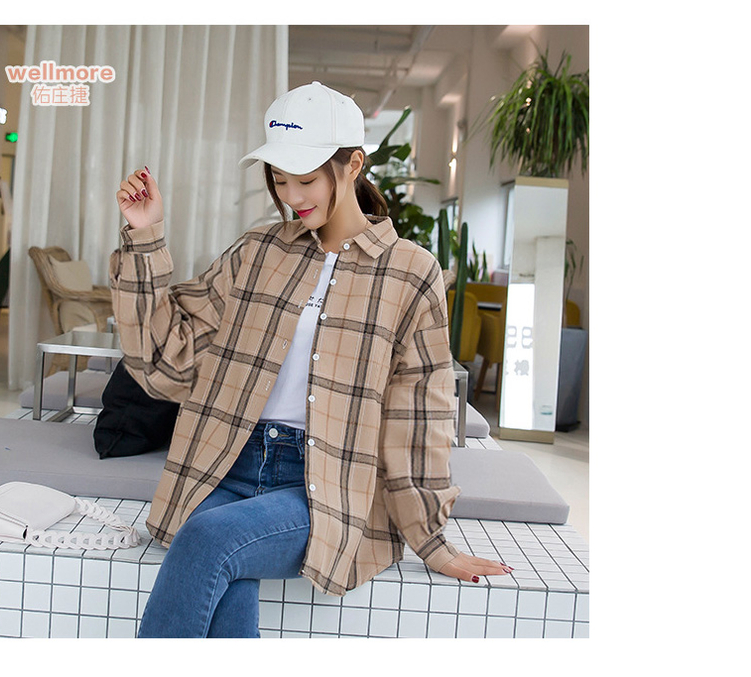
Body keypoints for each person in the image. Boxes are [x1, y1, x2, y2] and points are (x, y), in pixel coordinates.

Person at [110, 81, 512, 638]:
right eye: (280, 179)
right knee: (227, 578)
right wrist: (145, 235)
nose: (292, 195)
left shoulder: (409, 272)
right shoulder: (258, 252)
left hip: (320, 483)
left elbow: (419, 418)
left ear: (353, 165)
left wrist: (433, 542)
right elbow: (165, 359)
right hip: (225, 463)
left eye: (306, 179)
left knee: (207, 540)